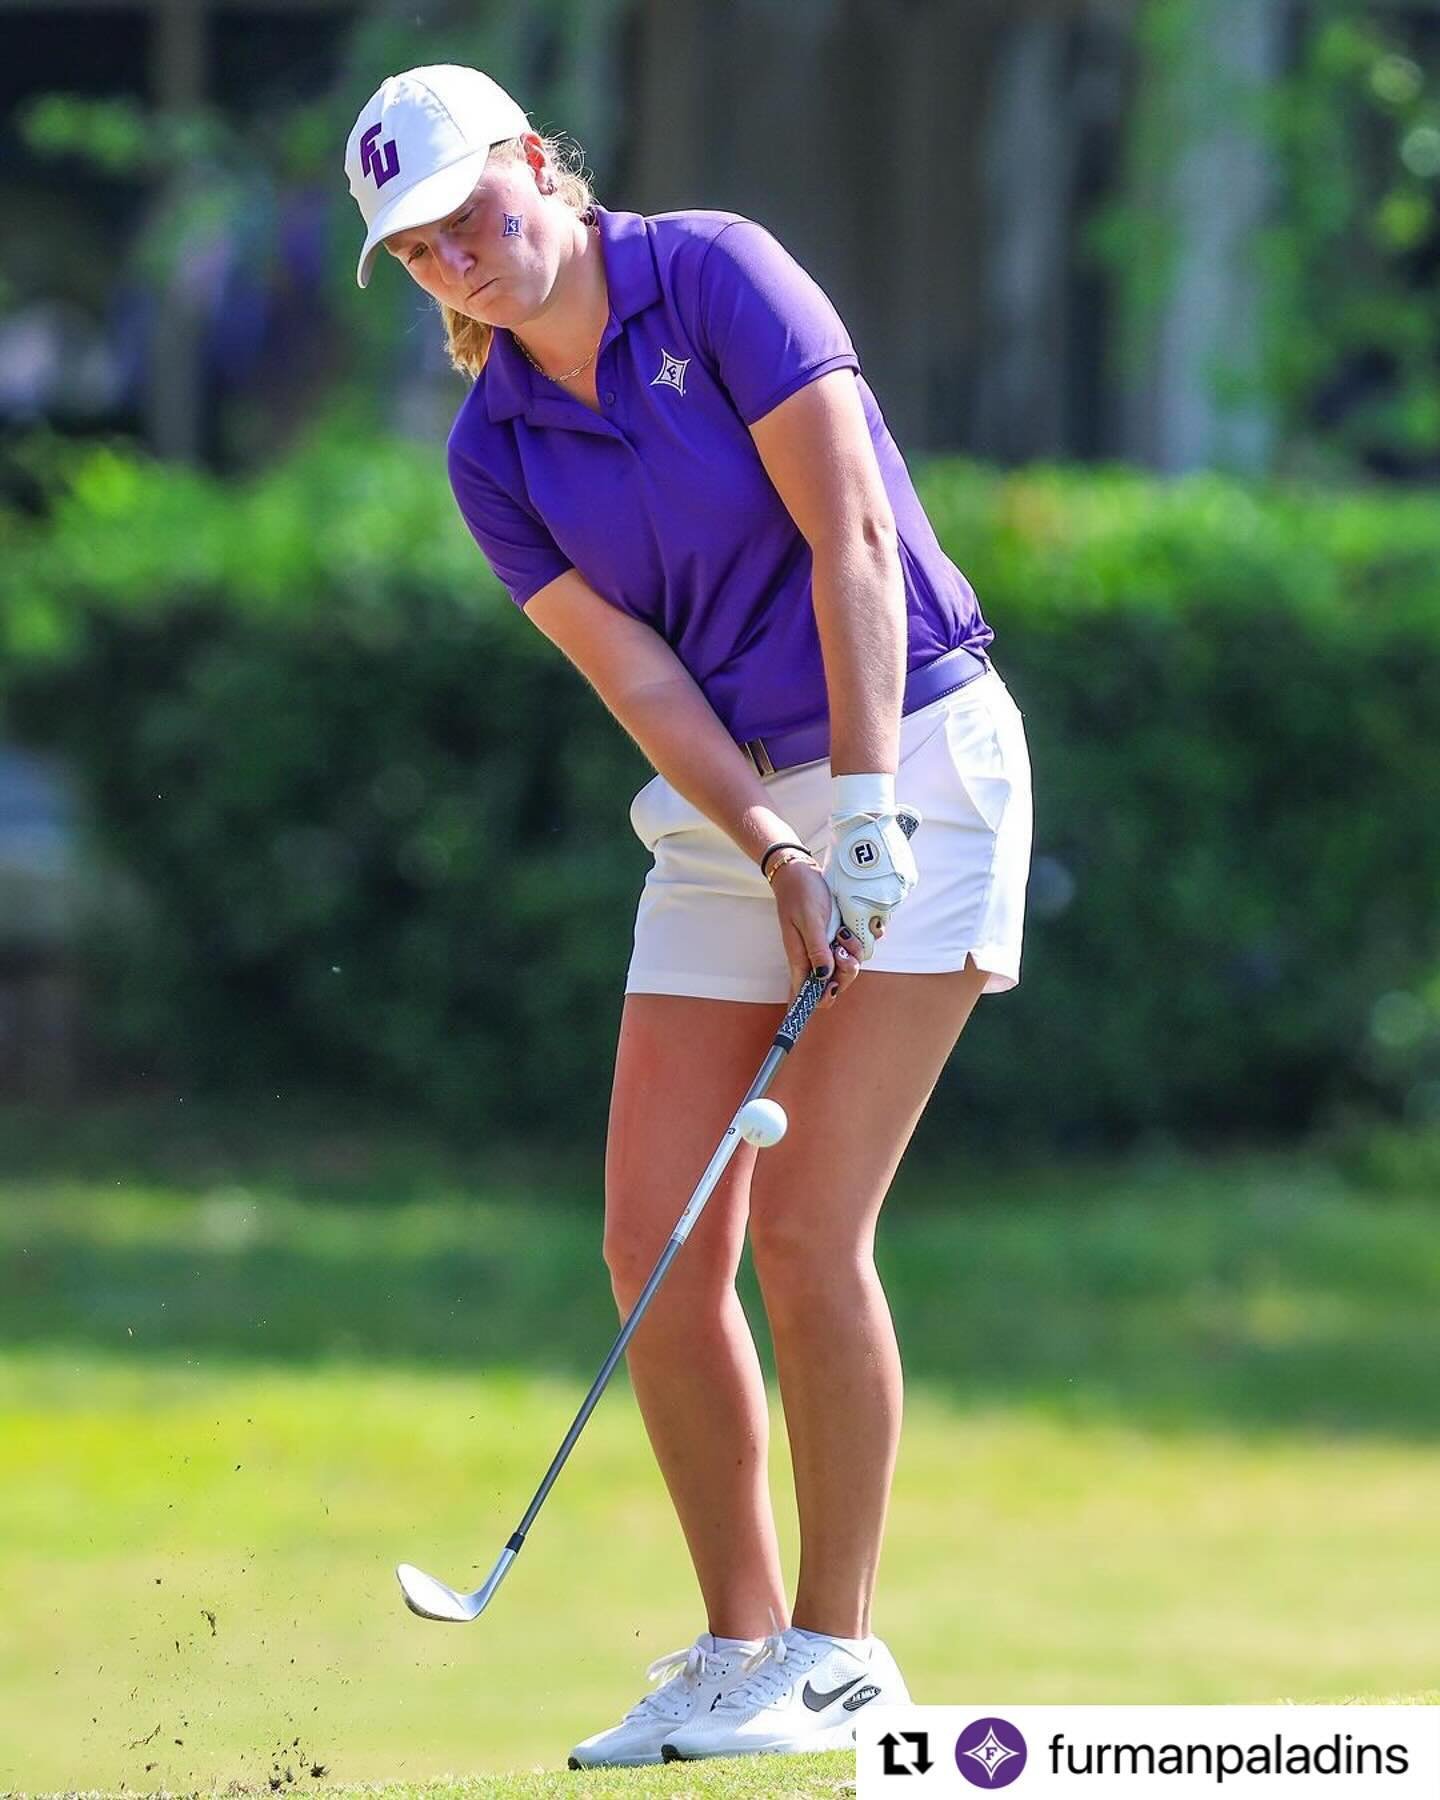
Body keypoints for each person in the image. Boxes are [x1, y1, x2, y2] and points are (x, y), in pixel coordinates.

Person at [345, 64, 1033, 1768]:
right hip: (734, 807)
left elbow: (851, 538)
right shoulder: (492, 448)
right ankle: (744, 1652)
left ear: (534, 162)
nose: (457, 260)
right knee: (655, 1244)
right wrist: (779, 849)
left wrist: (860, 815)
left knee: (805, 1229)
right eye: (416, 252)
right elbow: (643, 681)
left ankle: (844, 1648)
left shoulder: (714, 271)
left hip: (919, 752)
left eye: (466, 214)